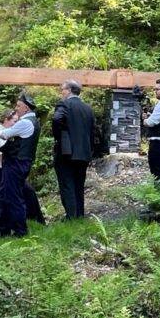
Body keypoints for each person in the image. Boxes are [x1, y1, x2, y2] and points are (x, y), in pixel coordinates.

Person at [0, 93, 41, 237]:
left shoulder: (25, 122)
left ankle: (20, 231)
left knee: (14, 197)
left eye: (18, 106)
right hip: (20, 162)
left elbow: (3, 135)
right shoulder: (34, 121)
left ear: (26, 108)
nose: (16, 109)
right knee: (4, 194)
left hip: (17, 163)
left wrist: (8, 130)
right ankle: (3, 229)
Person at [52, 79, 95, 219]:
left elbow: (57, 119)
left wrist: (60, 136)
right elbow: (94, 131)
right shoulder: (88, 108)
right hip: (84, 152)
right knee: (79, 185)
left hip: (66, 152)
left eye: (62, 89)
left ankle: (71, 217)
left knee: (67, 184)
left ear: (69, 90)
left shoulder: (64, 104)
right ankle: (79, 215)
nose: (61, 92)